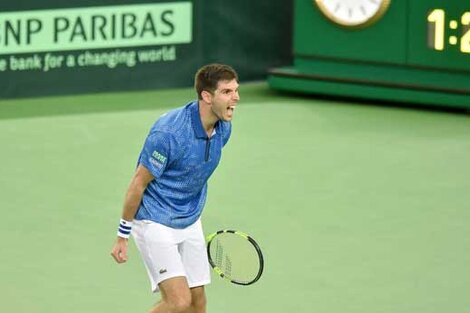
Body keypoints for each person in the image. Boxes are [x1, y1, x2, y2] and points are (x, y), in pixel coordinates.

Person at [110, 63, 239, 313]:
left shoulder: (224, 128)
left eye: (236, 90)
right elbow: (138, 182)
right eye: (227, 92)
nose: (236, 98)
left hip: (190, 219)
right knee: (178, 302)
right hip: (155, 220)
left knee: (198, 302)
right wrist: (122, 235)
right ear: (206, 96)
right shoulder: (169, 133)